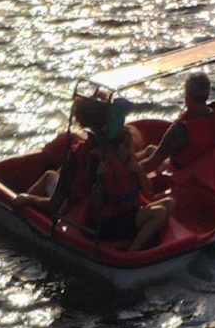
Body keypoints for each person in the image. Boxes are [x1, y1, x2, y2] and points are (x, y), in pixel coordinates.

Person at [71, 100, 175, 253]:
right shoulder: (102, 161)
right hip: (109, 223)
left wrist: (139, 170)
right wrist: (100, 178)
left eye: (130, 145)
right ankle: (131, 252)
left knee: (170, 203)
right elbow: (96, 203)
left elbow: (148, 189)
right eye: (126, 146)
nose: (130, 150)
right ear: (115, 148)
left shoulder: (129, 161)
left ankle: (144, 234)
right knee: (159, 212)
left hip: (128, 213)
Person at [140, 71, 215, 176]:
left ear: (187, 95)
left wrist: (129, 170)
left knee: (149, 157)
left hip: (190, 181)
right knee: (150, 149)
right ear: (207, 94)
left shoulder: (180, 130)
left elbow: (151, 164)